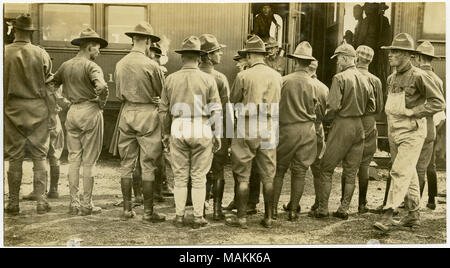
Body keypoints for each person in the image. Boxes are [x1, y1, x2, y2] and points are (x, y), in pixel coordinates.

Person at [373, 33, 445, 232]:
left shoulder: (419, 76)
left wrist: (415, 111)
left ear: (407, 54)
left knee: (398, 171)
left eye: (395, 52)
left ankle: (388, 214)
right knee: (409, 172)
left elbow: (439, 102)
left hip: (412, 132)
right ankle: (413, 214)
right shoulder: (391, 78)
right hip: (395, 130)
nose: (390, 55)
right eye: (391, 51)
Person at [159, 36, 222, 229]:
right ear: (199, 58)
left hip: (178, 126)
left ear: (182, 58)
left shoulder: (170, 79)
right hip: (201, 126)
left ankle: (179, 216)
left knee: (179, 176)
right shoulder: (208, 79)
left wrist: (166, 132)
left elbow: (163, 109)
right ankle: (197, 217)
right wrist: (217, 133)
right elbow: (216, 109)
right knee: (198, 176)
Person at [311, 43, 375, 220]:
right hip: (359, 127)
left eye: (339, 58)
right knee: (350, 171)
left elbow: (332, 107)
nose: (338, 62)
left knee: (326, 168)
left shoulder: (339, 78)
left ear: (346, 58)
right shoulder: (365, 79)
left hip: (343, 125)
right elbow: (373, 106)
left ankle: (323, 208)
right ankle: (344, 209)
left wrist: (327, 121)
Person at [226, 35, 282, 228]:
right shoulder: (277, 76)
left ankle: (241, 218)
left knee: (243, 174)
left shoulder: (243, 75)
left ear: (249, 55)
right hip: (268, 125)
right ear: (264, 55)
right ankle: (268, 217)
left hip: (246, 124)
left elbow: (233, 100)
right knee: (268, 175)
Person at [52, 28, 109, 216]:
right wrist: (101, 103)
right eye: (97, 49)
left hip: (73, 112)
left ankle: (73, 203)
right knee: (89, 162)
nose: (99, 52)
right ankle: (87, 204)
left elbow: (51, 85)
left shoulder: (65, 65)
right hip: (90, 111)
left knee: (73, 159)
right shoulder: (92, 67)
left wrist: (64, 102)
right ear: (90, 47)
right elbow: (102, 86)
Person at [114, 22, 166, 221]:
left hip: (127, 111)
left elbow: (119, 94)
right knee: (148, 164)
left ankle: (127, 209)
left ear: (132, 39)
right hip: (147, 114)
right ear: (147, 41)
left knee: (126, 163)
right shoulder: (152, 65)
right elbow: (161, 94)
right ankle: (148, 211)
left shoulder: (120, 64)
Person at [4, 14, 53, 215]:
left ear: (14, 31)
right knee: (40, 156)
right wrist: (51, 113)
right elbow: (50, 89)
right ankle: (41, 201)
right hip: (38, 111)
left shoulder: (3, 53)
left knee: (14, 157)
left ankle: (13, 203)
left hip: (11, 110)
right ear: (31, 33)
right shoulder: (41, 54)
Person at [272, 41, 321, 221]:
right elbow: (319, 109)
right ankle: (293, 211)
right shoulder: (315, 85)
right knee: (300, 171)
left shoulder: (283, 81)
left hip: (286, 129)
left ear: (295, 61)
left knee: (279, 170)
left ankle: (273, 210)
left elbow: (275, 104)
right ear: (309, 63)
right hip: (307, 131)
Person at [348, 45, 384, 214]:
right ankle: (362, 204)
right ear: (370, 60)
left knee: (349, 165)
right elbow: (380, 108)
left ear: (357, 58)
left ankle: (344, 204)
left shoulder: (348, 76)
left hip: (352, 119)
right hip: (369, 122)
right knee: (364, 164)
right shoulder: (375, 80)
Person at [199, 34, 230, 221]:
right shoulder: (220, 78)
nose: (221, 53)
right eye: (218, 51)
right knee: (218, 171)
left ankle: (199, 209)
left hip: (197, 129)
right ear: (209, 55)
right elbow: (226, 110)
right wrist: (228, 136)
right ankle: (217, 211)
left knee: (198, 171)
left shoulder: (192, 75)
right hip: (217, 129)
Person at [415, 41, 445, 210]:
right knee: (429, 164)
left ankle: (413, 203)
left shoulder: (416, 75)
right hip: (432, 125)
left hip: (418, 125)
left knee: (414, 166)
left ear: (419, 58)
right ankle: (431, 199)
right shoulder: (438, 80)